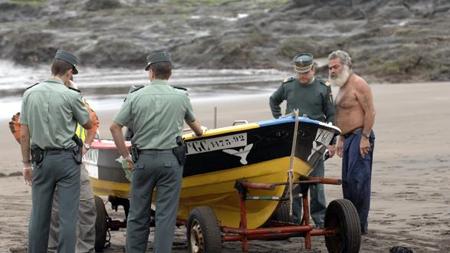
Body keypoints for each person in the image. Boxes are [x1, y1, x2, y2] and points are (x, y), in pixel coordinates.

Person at [110, 50, 204, 253]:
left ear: (151, 72)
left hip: (142, 161)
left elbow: (115, 127)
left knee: (137, 214)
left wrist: (126, 156)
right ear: (169, 74)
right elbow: (197, 131)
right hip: (170, 161)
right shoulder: (181, 96)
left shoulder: (135, 97)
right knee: (165, 215)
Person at [9, 85, 99, 253]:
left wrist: (85, 146)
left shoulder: (77, 101)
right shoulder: (43, 101)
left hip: (71, 160)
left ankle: (83, 249)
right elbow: (20, 129)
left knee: (84, 206)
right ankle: (53, 248)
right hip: (56, 161)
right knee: (55, 211)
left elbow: (92, 124)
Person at [19, 49, 92, 253]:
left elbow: (24, 133)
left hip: (40, 160)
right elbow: (87, 123)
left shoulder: (30, 94)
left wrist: (26, 164)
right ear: (69, 72)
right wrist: (76, 92)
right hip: (67, 161)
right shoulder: (71, 95)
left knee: (39, 215)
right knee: (68, 216)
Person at [269, 53, 336, 228]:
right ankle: (295, 219)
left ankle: (320, 220)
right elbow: (273, 100)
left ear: (313, 69)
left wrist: (332, 141)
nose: (303, 76)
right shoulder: (288, 86)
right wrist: (279, 120)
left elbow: (331, 114)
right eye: (300, 73)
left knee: (316, 183)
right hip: (293, 139)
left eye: (306, 72)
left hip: (316, 141)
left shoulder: (323, 88)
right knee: (294, 182)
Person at [328, 50, 376, 235]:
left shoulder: (359, 84)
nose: (332, 70)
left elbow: (370, 112)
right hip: (347, 138)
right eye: (330, 67)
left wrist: (365, 137)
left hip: (360, 137)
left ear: (346, 65)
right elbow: (342, 114)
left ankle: (359, 226)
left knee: (359, 181)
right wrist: (340, 138)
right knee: (348, 182)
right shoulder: (341, 86)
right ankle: (351, 223)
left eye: (336, 66)